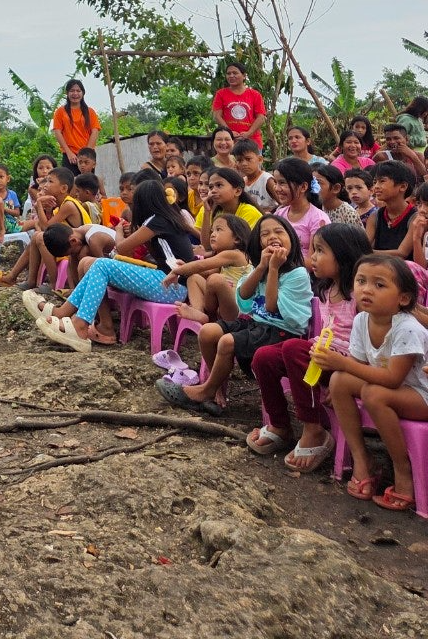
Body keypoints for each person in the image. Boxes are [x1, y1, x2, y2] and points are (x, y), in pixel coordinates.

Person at [156, 216, 313, 415]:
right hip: (257, 325)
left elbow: (272, 308)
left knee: (227, 341)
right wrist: (262, 267)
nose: (272, 236)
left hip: (281, 332)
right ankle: (217, 388)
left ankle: (206, 390)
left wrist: (273, 269)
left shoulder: (297, 274)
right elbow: (244, 297)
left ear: (291, 238)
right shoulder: (262, 269)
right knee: (208, 332)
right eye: (265, 234)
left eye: (279, 231)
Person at [248, 223, 370, 471]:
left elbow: (371, 345)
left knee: (294, 348)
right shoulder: (327, 288)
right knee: (264, 356)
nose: (312, 257)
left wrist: (344, 379)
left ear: (344, 254)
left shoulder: (360, 296)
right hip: (322, 355)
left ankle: (314, 429)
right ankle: (280, 425)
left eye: (320, 251)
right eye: (313, 250)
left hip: (348, 364)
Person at [29, 180, 197, 351]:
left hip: (172, 287)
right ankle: (64, 313)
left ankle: (80, 324)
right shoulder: (164, 219)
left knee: (101, 265)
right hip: (169, 283)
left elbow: (122, 247)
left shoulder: (157, 222)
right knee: (98, 264)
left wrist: (118, 231)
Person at [317, 255, 428, 510]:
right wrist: (335, 373)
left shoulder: (407, 328)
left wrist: (342, 363)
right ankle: (362, 460)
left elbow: (392, 379)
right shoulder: (362, 320)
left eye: (379, 285)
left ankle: (403, 471)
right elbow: (358, 365)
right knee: (340, 381)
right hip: (394, 390)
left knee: (373, 393)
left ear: (403, 298)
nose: (366, 289)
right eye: (361, 281)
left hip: (421, 394)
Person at [169, 213, 250, 325]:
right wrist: (186, 268)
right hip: (222, 307)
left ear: (236, 239)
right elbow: (205, 272)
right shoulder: (224, 259)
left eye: (219, 230)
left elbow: (201, 266)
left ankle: (207, 315)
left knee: (216, 279)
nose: (213, 234)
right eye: (212, 231)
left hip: (237, 311)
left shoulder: (235, 254)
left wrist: (177, 271)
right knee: (194, 278)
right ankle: (198, 312)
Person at [272, 157, 330, 255]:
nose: (277, 188)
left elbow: (313, 260)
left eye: (282, 183)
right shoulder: (279, 215)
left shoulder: (318, 220)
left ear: (303, 187)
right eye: (275, 182)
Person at [196, 167, 262, 249]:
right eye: (211, 187)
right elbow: (207, 246)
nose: (213, 191)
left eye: (219, 185)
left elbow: (245, 247)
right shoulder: (217, 213)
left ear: (237, 191)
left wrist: (209, 254)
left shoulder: (249, 212)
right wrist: (207, 211)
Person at [366, 161, 418, 256]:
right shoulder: (375, 217)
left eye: (382, 181)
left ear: (402, 186)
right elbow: (364, 246)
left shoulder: (414, 218)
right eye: (375, 182)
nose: (376, 186)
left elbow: (402, 254)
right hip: (377, 263)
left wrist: (366, 253)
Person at [212, 60, 267, 148]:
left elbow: (261, 118)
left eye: (235, 73)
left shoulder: (255, 94)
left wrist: (248, 133)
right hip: (229, 142)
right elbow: (217, 116)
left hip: (252, 142)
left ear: (244, 76)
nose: (231, 76)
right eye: (228, 73)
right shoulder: (221, 94)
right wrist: (229, 132)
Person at [51, 79, 100, 173]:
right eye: (72, 91)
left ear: (83, 93)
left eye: (78, 91)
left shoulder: (90, 112)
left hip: (87, 156)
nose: (75, 93)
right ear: (67, 93)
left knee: (87, 181)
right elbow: (57, 132)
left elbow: (95, 131)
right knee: (69, 181)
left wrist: (86, 153)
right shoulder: (60, 112)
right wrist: (69, 152)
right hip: (69, 156)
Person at [231, 139, 278, 213]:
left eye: (248, 159)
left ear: (260, 159)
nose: (244, 164)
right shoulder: (242, 183)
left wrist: (271, 213)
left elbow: (283, 203)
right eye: (239, 160)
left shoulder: (266, 180)